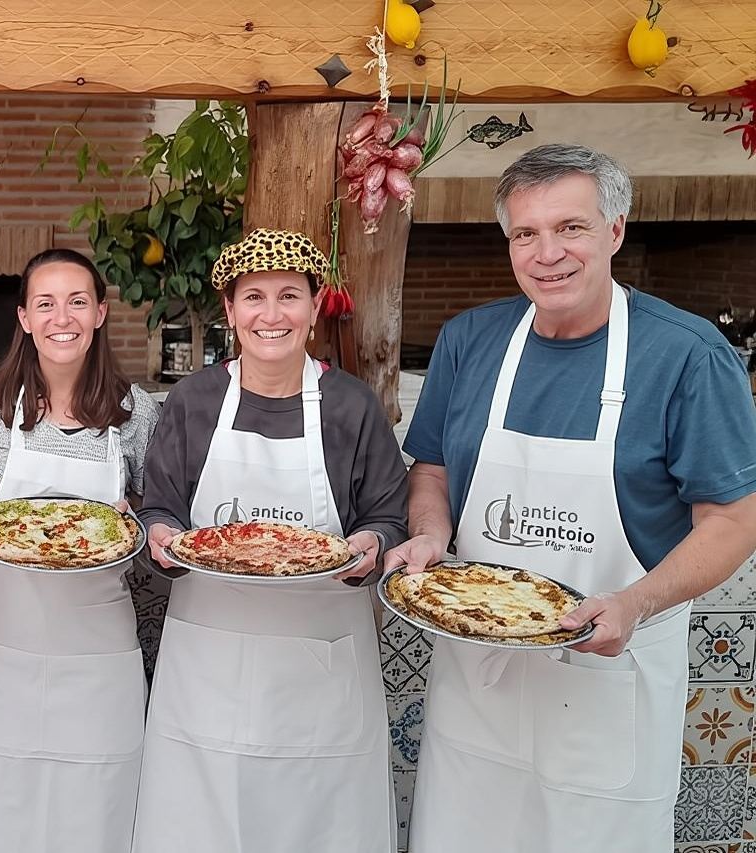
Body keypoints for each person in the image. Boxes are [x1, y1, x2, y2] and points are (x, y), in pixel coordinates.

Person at [386, 144, 756, 853]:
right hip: (480, 681)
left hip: (607, 679)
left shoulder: (687, 354)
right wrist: (431, 534)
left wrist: (635, 602)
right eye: (526, 233)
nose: (546, 252)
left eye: (571, 228)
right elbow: (429, 471)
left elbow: (735, 520)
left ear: (615, 229)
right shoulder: (470, 340)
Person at [134, 228, 407, 853]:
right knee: (203, 822)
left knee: (318, 823)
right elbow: (160, 507)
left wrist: (371, 543)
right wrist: (162, 536)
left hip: (323, 665)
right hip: (208, 664)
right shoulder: (194, 400)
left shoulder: (351, 406)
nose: (271, 314)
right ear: (230, 312)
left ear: (315, 308)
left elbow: (389, 516)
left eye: (289, 295)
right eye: (252, 297)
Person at [0, 248, 159, 853]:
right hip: (9, 634)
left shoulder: (137, 410)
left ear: (99, 314)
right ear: (23, 318)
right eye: (45, 303)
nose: (60, 317)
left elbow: (145, 515)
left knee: (96, 798)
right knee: (0, 793)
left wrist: (133, 521)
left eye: (76, 302)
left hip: (101, 639)